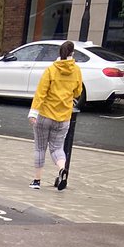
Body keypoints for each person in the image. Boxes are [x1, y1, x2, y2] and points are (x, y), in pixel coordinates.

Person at [27, 40, 83, 190]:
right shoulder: (76, 70)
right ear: (73, 54)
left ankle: (37, 181)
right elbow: (78, 91)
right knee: (57, 148)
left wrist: (33, 113)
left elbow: (41, 93)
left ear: (59, 53)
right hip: (64, 117)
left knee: (40, 148)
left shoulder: (51, 70)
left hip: (45, 115)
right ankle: (61, 169)